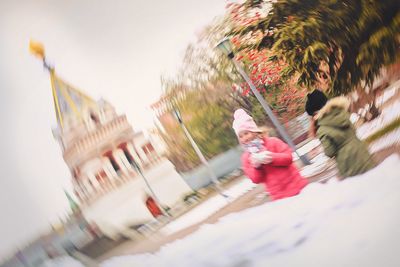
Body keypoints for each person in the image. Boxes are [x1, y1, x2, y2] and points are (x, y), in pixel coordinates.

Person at [233, 109, 308, 201]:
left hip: (298, 186)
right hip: (279, 196)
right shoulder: (246, 157)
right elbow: (255, 179)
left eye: (246, 133)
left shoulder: (272, 142)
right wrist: (257, 167)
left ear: (254, 131)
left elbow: (289, 158)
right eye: (241, 136)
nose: (245, 138)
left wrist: (271, 157)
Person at [305, 89, 376, 178]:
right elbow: (353, 130)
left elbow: (329, 152)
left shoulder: (322, 129)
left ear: (315, 113)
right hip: (362, 151)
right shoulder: (341, 112)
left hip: (348, 162)